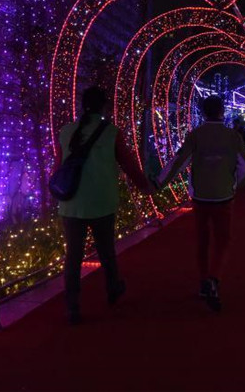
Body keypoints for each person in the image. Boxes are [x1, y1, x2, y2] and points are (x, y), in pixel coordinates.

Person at [56, 86, 154, 324]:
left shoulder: (66, 131)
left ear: (82, 106)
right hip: (102, 201)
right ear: (103, 107)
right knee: (106, 250)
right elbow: (129, 165)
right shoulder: (111, 132)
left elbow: (59, 165)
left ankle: (73, 307)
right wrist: (146, 186)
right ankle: (112, 289)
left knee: (73, 256)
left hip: (71, 203)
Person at [156, 95, 245, 311]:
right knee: (223, 240)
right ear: (222, 111)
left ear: (203, 112)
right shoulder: (233, 137)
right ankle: (214, 278)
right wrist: (235, 185)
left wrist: (158, 184)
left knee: (202, 240)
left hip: (200, 197)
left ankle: (202, 282)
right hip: (223, 197)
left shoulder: (195, 136)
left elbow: (177, 163)